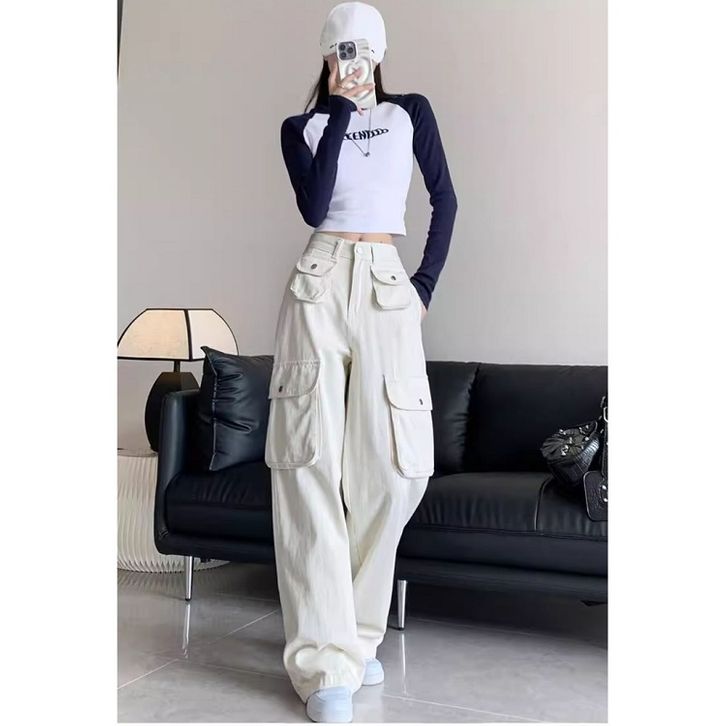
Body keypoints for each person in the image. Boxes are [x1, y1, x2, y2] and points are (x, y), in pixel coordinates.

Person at [264, 2, 457, 721]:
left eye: (364, 50)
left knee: (397, 468)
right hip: (318, 282)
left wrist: (423, 287)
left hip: (386, 281)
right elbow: (316, 205)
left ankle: (354, 635)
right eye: (341, 50)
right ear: (327, 55)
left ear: (379, 52)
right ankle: (324, 665)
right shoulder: (303, 129)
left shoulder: (411, 113)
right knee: (308, 464)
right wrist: (340, 110)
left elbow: (446, 199)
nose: (354, 61)